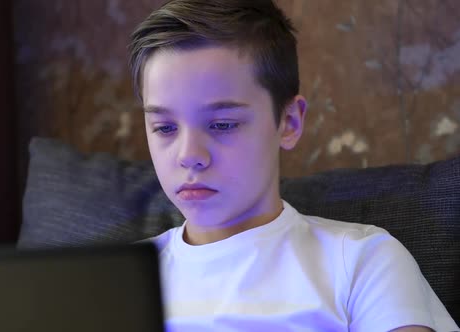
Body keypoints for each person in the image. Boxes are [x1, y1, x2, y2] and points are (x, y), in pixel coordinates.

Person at [127, 0, 459, 331]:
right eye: (165, 128)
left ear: (289, 122)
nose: (189, 155)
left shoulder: (361, 262)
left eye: (222, 124)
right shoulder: (119, 277)